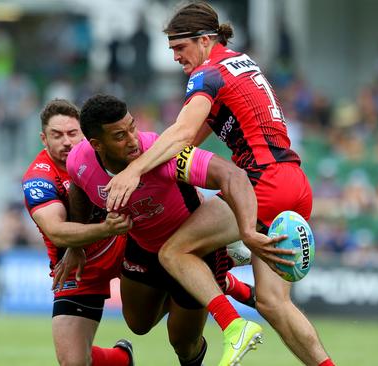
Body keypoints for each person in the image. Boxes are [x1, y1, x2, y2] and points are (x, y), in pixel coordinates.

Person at [104, 2, 335, 366]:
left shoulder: (207, 74)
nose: (177, 57)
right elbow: (198, 134)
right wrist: (153, 163)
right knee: (273, 303)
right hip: (293, 181)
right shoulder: (241, 62)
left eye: (180, 47)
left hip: (262, 184)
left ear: (205, 39)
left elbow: (180, 133)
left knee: (174, 252)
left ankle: (233, 325)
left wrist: (132, 172)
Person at [64, 94, 269, 366]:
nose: (132, 139)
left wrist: (247, 231)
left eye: (132, 127)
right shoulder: (79, 159)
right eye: (120, 136)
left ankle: (217, 275)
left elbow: (231, 175)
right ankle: (224, 283)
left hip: (191, 252)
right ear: (96, 144)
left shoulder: (160, 154)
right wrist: (76, 245)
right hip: (144, 247)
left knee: (183, 344)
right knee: (138, 324)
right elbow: (78, 184)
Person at [21, 99, 134, 366]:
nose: (66, 142)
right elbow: (57, 232)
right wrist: (104, 229)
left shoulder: (107, 152)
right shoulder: (39, 178)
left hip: (127, 248)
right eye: (56, 135)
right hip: (78, 268)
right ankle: (121, 359)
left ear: (85, 134)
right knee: (73, 363)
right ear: (43, 139)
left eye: (73, 134)